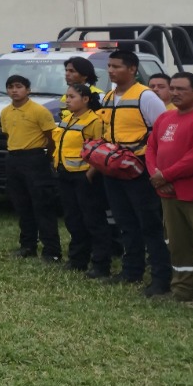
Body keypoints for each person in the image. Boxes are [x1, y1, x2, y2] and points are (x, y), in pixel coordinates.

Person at [146, 72, 193, 312]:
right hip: (169, 195)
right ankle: (183, 291)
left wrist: (166, 176)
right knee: (177, 245)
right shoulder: (165, 118)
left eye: (182, 89)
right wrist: (157, 177)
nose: (175, 93)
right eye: (173, 88)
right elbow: (151, 149)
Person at [100, 49, 172, 297]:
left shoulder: (146, 97)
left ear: (132, 69)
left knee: (149, 223)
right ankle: (132, 270)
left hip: (139, 168)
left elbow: (161, 133)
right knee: (124, 221)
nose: (111, 70)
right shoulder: (109, 97)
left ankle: (161, 278)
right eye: (109, 66)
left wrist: (157, 169)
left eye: (116, 66)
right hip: (114, 167)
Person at [0, 74, 61, 261]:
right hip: (14, 158)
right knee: (22, 205)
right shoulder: (5, 112)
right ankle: (27, 245)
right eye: (10, 87)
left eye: (18, 86)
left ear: (28, 90)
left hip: (35, 158)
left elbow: (51, 138)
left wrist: (46, 158)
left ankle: (51, 250)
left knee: (42, 205)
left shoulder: (39, 111)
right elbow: (8, 134)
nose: (14, 90)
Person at [53, 82, 113, 278]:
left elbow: (102, 148)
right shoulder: (67, 119)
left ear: (86, 99)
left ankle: (100, 264)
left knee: (93, 220)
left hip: (85, 177)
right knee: (73, 219)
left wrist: (91, 172)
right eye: (66, 97)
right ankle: (78, 259)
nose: (67, 100)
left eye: (72, 97)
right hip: (65, 174)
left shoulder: (94, 121)